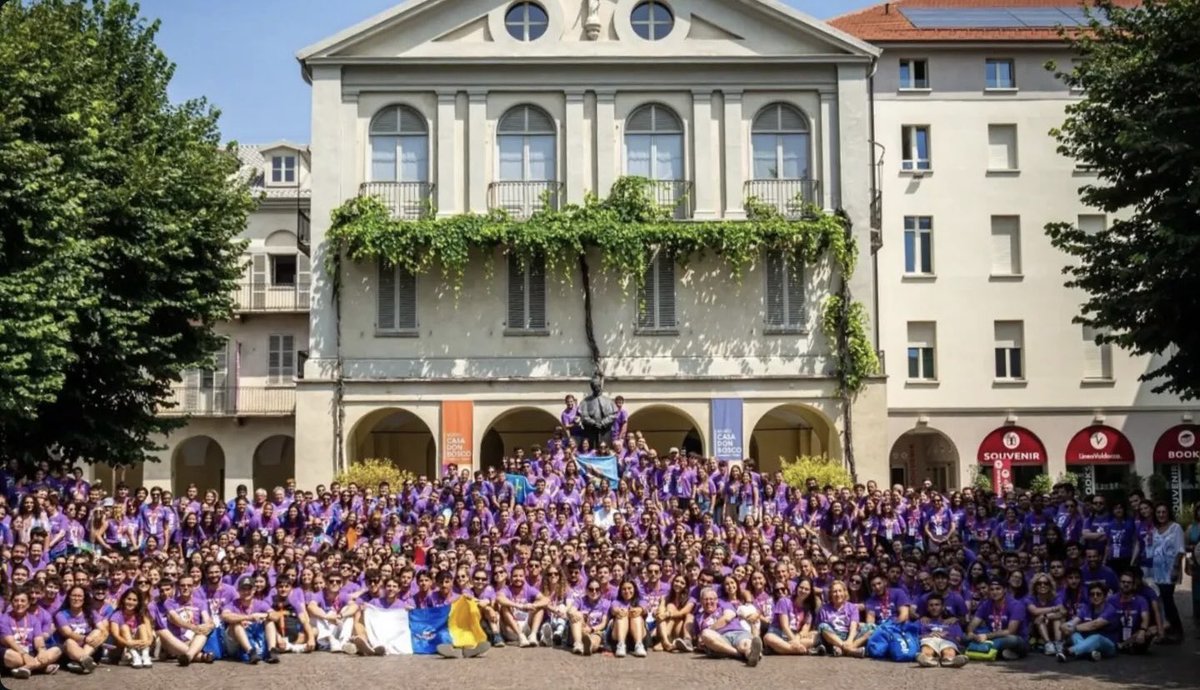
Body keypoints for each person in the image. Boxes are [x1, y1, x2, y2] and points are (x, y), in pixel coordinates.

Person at [693, 587, 763, 667]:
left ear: (716, 600)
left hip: (737, 632)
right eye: (706, 599)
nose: (709, 602)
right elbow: (699, 638)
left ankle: (751, 655)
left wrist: (711, 629)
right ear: (701, 601)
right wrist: (700, 641)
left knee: (745, 644)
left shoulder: (724, 606)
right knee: (705, 634)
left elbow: (727, 617)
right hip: (720, 639)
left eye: (711, 599)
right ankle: (738, 654)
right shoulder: (699, 617)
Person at [1147, 502, 1185, 643]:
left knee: (1168, 601)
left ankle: (1178, 631)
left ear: (1168, 513)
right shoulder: (1155, 530)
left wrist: (1176, 568)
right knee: (1162, 600)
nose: (1161, 515)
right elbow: (1151, 550)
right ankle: (1168, 629)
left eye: (1164, 512)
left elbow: (1180, 549)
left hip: (1170, 570)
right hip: (1158, 571)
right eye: (1158, 512)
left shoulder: (1176, 528)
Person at [2, 588, 61, 678]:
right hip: (13, 651)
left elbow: (38, 639)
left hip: (30, 652)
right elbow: (10, 642)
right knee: (9, 655)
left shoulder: (34, 619)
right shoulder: (3, 618)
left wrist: (41, 650)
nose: (19, 604)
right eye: (16, 600)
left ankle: (25, 668)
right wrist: (24, 654)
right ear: (11, 602)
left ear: (28, 603)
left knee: (56, 650)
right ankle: (40, 667)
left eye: (23, 601)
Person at [966, 576, 1029, 660]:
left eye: (998, 589)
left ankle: (992, 650)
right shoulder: (986, 604)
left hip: (1013, 639)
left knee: (1012, 640)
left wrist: (986, 636)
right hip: (992, 637)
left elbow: (1011, 631)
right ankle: (999, 652)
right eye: (991, 589)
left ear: (1005, 590)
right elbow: (973, 624)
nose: (994, 592)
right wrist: (971, 634)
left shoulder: (1016, 605)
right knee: (964, 637)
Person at [220, 576, 279, 664]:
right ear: (238, 591)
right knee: (236, 624)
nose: (246, 592)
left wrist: (265, 615)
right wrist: (249, 617)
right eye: (243, 589)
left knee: (269, 621)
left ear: (254, 590)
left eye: (249, 589)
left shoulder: (260, 604)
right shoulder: (233, 604)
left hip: (253, 636)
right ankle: (250, 652)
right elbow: (224, 615)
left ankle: (272, 651)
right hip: (235, 644)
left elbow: (276, 615)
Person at [1058, 583, 1121, 662]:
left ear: (1104, 596)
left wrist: (1073, 628)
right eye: (1092, 594)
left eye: (1098, 594)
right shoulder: (1086, 608)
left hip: (1109, 645)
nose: (1095, 597)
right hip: (1088, 641)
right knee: (1075, 634)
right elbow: (1074, 621)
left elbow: (1094, 625)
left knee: (1096, 637)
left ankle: (1068, 652)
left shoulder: (1110, 610)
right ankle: (1089, 653)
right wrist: (1065, 625)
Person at [163, 574, 216, 664]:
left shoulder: (200, 603)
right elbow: (176, 619)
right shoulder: (170, 602)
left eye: (189, 585)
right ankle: (201, 656)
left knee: (202, 634)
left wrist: (208, 625)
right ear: (178, 587)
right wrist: (193, 627)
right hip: (177, 641)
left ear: (193, 587)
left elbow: (207, 619)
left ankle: (188, 657)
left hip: (193, 641)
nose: (186, 588)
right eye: (183, 585)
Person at [54, 585, 105, 674]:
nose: (76, 598)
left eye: (79, 596)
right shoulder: (61, 614)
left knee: (97, 632)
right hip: (70, 648)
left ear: (84, 598)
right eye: (74, 595)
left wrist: (99, 640)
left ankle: (81, 661)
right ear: (69, 597)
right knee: (69, 641)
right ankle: (85, 660)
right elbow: (67, 633)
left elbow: (103, 629)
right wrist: (85, 638)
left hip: (88, 646)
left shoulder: (90, 612)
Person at [817, 580, 867, 658]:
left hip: (849, 635)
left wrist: (850, 640)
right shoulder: (824, 609)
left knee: (872, 627)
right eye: (834, 592)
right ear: (830, 594)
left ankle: (845, 649)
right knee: (822, 626)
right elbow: (822, 631)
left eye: (840, 591)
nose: (838, 594)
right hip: (832, 637)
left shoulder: (852, 607)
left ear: (844, 592)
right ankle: (850, 650)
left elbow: (853, 625)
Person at [915, 593, 967, 668]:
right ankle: (927, 659)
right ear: (927, 608)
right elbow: (914, 637)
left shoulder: (952, 623)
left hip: (947, 641)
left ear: (942, 607)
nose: (934, 607)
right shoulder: (922, 622)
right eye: (931, 605)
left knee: (949, 647)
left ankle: (949, 660)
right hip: (928, 640)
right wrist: (927, 635)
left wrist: (946, 636)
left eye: (937, 605)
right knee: (927, 646)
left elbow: (959, 639)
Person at [109, 588, 154, 669]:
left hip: (138, 643)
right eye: (129, 599)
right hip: (121, 646)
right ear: (123, 599)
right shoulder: (117, 614)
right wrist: (128, 643)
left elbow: (149, 633)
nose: (131, 602)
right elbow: (115, 635)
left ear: (138, 602)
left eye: (134, 600)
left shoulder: (141, 614)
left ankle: (145, 655)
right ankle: (135, 656)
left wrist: (149, 641)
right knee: (124, 627)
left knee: (142, 626)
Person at [608, 578, 647, 658]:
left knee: (636, 616)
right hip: (618, 636)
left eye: (629, 588)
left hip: (638, 635)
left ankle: (639, 645)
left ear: (634, 589)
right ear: (620, 591)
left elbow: (644, 608)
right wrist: (618, 611)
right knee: (622, 616)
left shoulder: (640, 601)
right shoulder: (616, 602)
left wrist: (639, 609)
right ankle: (621, 645)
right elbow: (613, 609)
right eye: (624, 589)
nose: (627, 591)